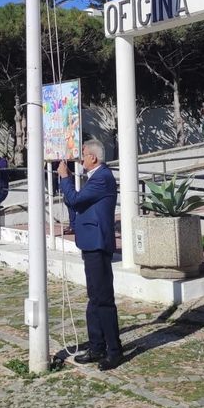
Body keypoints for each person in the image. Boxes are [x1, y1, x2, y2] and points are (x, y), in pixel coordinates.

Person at [57, 140, 124, 370]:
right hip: (89, 243)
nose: (81, 159)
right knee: (94, 298)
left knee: (103, 299)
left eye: (84, 155)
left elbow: (75, 199)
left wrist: (65, 178)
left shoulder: (102, 177)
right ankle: (97, 346)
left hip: (97, 244)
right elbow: (75, 203)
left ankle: (114, 350)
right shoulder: (93, 178)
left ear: (93, 158)